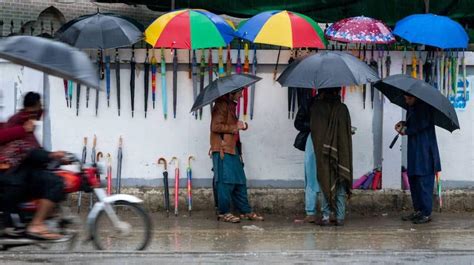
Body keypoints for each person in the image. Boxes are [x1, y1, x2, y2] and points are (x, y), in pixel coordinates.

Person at [0, 92, 66, 239]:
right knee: (55, 182)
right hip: (16, 173)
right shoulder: (21, 121)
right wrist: (51, 155)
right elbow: (27, 150)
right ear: (35, 106)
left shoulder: (24, 119)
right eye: (39, 106)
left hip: (19, 170)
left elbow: (31, 148)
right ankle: (36, 224)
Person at [210, 89, 263, 223]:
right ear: (231, 92)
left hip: (232, 148)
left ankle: (245, 210)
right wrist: (235, 127)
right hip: (223, 149)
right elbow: (215, 126)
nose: (241, 95)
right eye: (239, 92)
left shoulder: (230, 105)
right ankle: (224, 213)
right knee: (224, 182)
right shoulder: (221, 105)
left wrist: (240, 126)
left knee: (240, 181)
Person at [310, 88, 353, 226]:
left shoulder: (317, 108)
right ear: (338, 92)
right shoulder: (343, 109)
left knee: (324, 181)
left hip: (322, 151)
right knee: (340, 180)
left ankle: (326, 216)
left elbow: (315, 131)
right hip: (340, 151)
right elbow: (347, 130)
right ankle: (340, 216)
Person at [396, 94, 441, 224]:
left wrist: (406, 130)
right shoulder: (412, 108)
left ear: (416, 97)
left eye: (408, 98)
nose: (406, 101)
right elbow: (411, 123)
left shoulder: (425, 109)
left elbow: (419, 125)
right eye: (405, 98)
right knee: (414, 181)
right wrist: (403, 124)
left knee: (423, 182)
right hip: (414, 152)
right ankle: (418, 210)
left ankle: (426, 213)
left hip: (425, 152)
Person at [293, 92, 320, 223]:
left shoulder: (337, 105)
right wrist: (314, 126)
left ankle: (327, 211)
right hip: (313, 140)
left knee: (328, 175)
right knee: (311, 176)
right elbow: (298, 123)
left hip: (327, 139)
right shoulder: (309, 102)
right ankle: (311, 211)